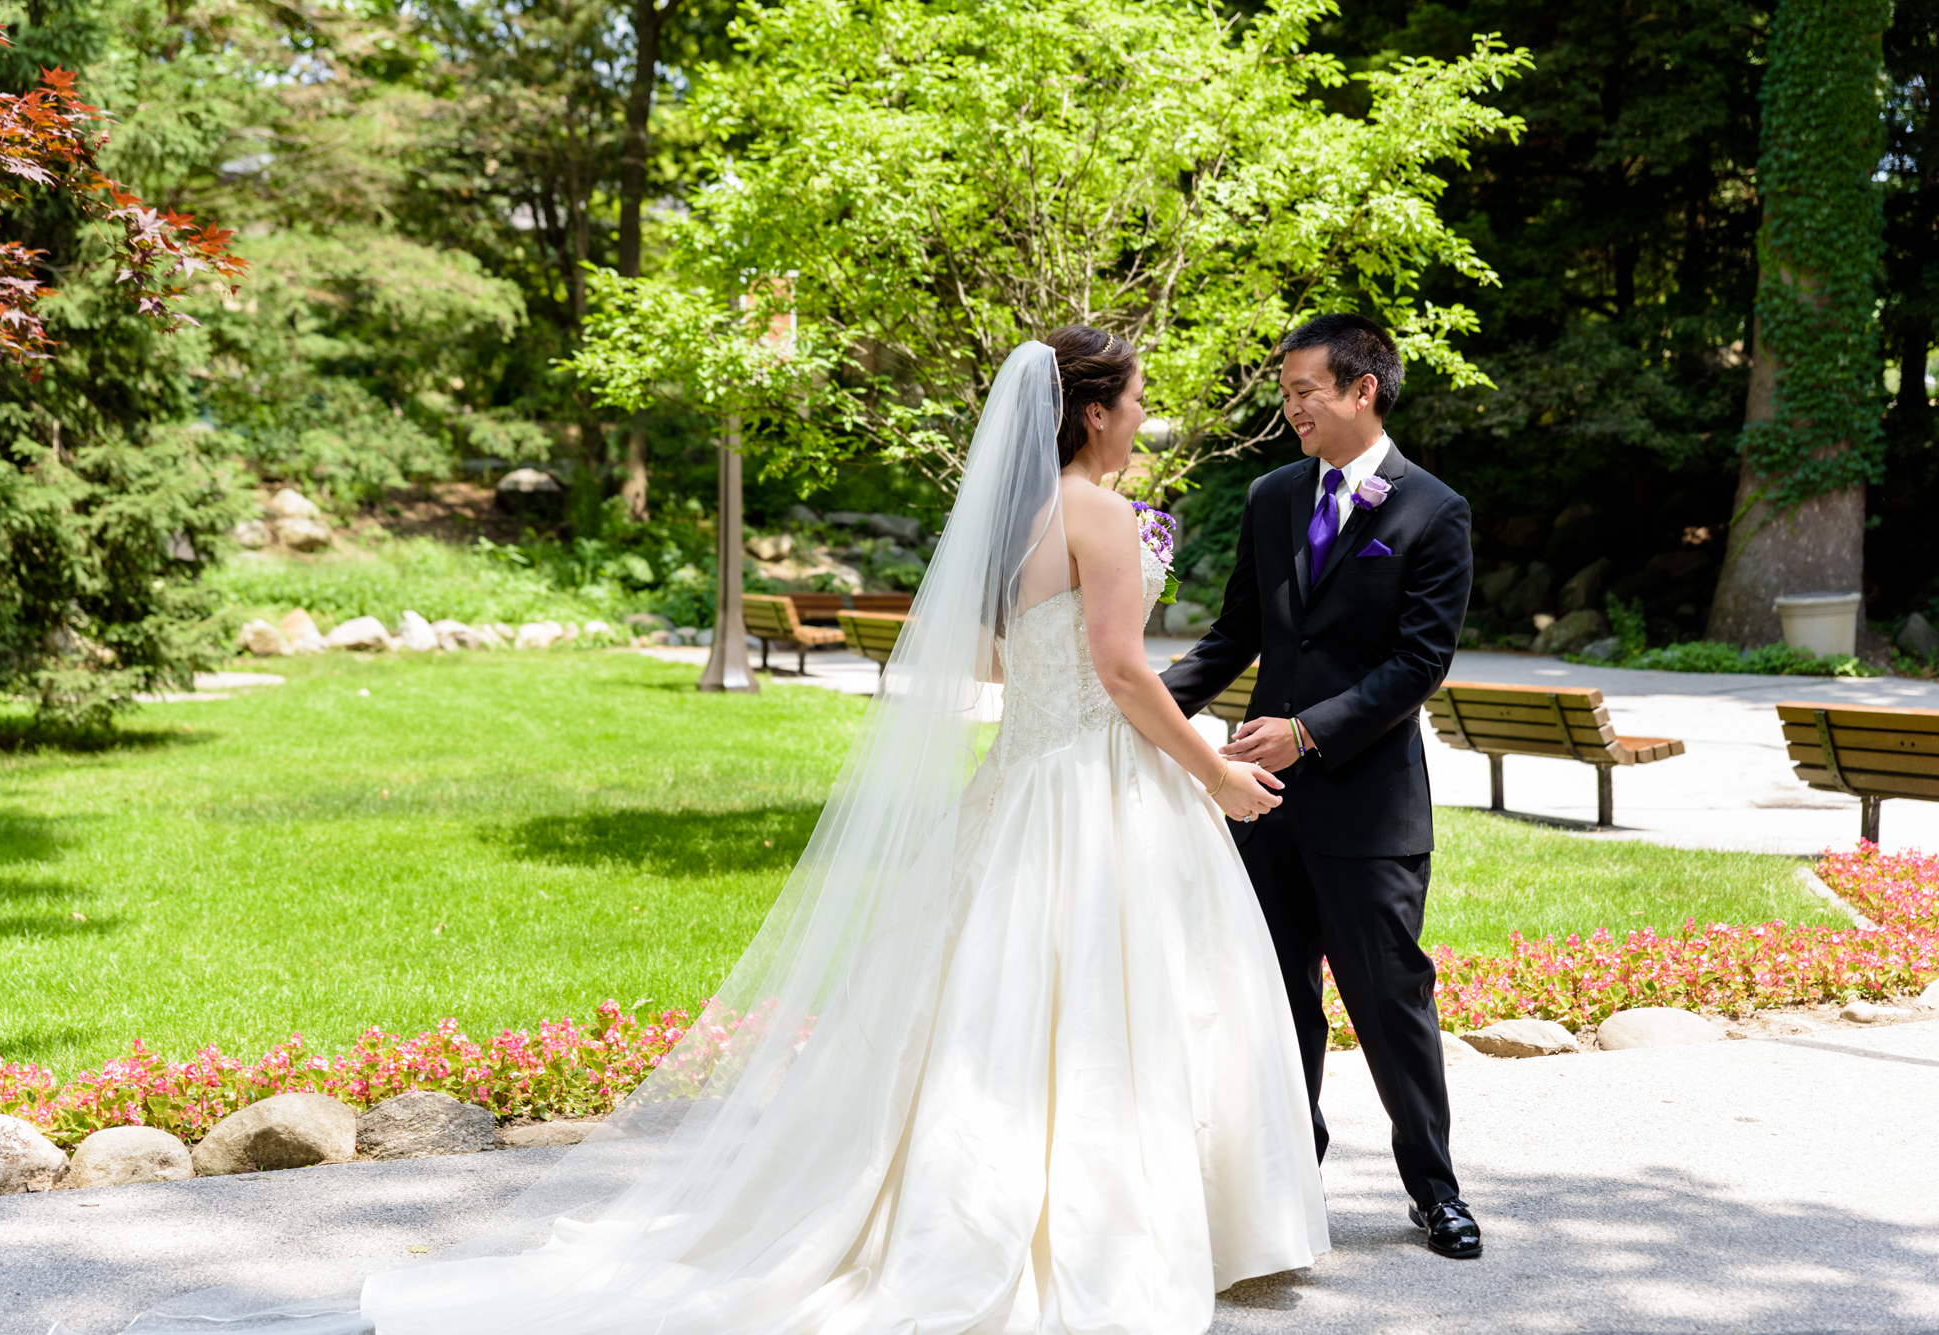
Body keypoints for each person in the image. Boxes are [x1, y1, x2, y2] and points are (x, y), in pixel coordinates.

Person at [105, 332, 1327, 1335]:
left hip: (1019, 783)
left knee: (998, 1009)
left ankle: (968, 1205)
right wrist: (1211, 773)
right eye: (1134, 400)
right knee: (1111, 1002)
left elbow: (989, 655)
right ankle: (1120, 1232)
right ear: (1094, 414)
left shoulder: (1009, 523)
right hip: (1093, 788)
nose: (1142, 416)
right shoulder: (1102, 518)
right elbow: (1119, 672)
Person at [1161, 313, 1481, 1260]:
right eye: (1287, 390)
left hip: (1368, 806)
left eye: (1304, 391)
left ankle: (1436, 1188)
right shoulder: (1269, 497)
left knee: (1389, 998)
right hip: (1260, 804)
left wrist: (1308, 732)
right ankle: (1288, 1179)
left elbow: (1419, 662)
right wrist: (1133, 705)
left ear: (1361, 391)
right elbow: (1235, 639)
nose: (1289, 406)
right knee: (1277, 998)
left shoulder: (1433, 509)